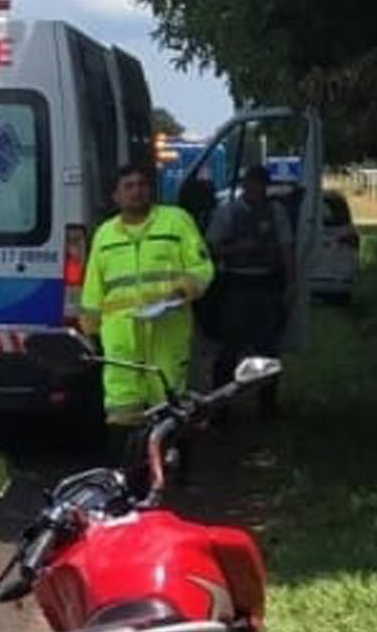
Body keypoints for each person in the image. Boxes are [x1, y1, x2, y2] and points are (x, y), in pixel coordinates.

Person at [78, 162, 216, 441]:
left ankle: (173, 477)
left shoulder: (176, 221)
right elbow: (94, 285)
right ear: (115, 196)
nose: (136, 191)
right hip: (121, 342)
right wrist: (89, 329)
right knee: (122, 413)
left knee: (172, 413)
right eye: (128, 187)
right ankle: (128, 476)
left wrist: (183, 289)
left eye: (141, 185)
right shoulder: (105, 234)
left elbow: (201, 267)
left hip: (167, 334)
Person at [205, 161, 295, 415]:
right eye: (251, 184)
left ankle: (268, 404)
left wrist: (291, 284)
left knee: (268, 349)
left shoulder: (276, 212)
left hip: (266, 284)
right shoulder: (228, 212)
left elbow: (287, 249)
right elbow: (210, 247)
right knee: (228, 349)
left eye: (260, 185)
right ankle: (220, 407)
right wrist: (236, 250)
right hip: (236, 284)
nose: (254, 189)